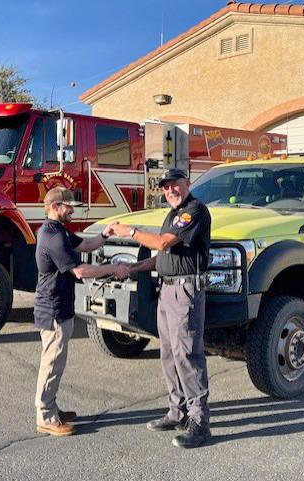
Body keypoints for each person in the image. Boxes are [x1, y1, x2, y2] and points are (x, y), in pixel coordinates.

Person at [110, 168, 212, 449]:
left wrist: (128, 231)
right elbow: (160, 257)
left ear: (187, 183)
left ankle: (200, 422)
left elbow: (163, 243)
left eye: (174, 185)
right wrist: (134, 268)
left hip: (185, 290)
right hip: (168, 289)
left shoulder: (194, 211)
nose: (170, 191)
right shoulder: (173, 214)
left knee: (187, 354)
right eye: (165, 187)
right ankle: (177, 411)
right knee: (169, 353)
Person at [34, 186, 129, 436]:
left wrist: (105, 234)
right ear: (55, 207)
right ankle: (45, 416)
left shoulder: (60, 231)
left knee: (57, 362)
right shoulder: (52, 237)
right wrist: (112, 268)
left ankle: (52, 408)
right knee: (52, 363)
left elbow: (86, 245)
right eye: (69, 207)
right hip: (52, 309)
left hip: (60, 306)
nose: (72, 211)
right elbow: (80, 271)